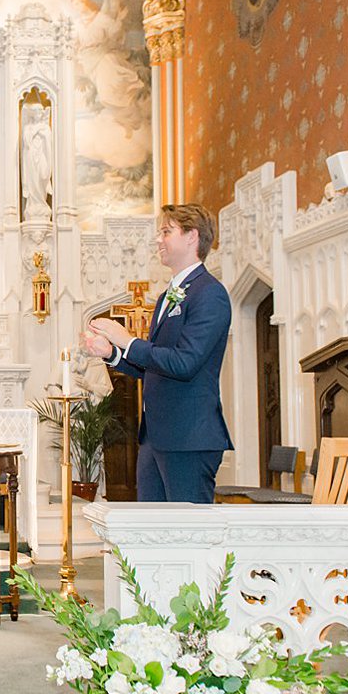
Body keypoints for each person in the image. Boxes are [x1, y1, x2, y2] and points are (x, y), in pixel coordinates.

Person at [82, 204, 232, 503]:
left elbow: (185, 363)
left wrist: (127, 340)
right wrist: (112, 352)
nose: (158, 240)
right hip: (156, 437)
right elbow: (156, 366)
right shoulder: (168, 295)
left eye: (166, 231)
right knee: (150, 533)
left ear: (192, 236)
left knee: (187, 536)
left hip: (188, 438)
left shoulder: (209, 293)